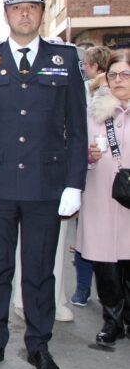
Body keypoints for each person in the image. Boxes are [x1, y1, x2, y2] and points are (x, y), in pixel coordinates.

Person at [0, 0, 86, 369]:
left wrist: (74, 183)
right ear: (6, 15)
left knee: (39, 270)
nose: (25, 14)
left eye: (33, 7)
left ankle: (39, 345)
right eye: (18, 8)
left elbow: (77, 128)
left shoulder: (64, 59)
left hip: (45, 185)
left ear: (42, 13)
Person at [79, 49, 130, 346]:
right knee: (105, 265)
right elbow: (77, 149)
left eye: (125, 74)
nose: (118, 80)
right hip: (100, 197)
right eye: (113, 75)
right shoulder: (94, 113)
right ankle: (112, 321)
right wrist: (88, 156)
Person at [69, 45, 111, 306]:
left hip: (112, 177)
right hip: (93, 175)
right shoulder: (86, 91)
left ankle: (90, 291)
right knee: (87, 234)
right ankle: (84, 288)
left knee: (95, 236)